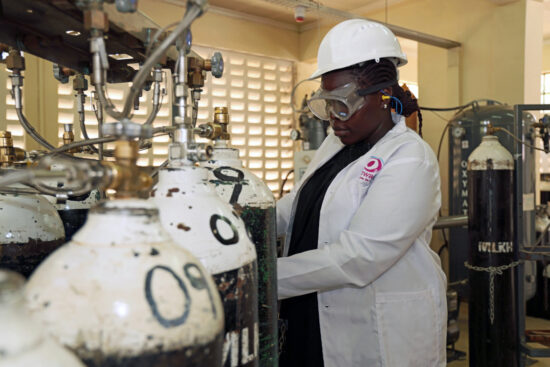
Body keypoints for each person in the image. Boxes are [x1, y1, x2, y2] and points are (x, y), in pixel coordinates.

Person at [277, 19, 447, 367]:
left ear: (384, 96)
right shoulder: (335, 144)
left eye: (344, 103)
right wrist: (240, 218)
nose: (334, 118)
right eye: (327, 104)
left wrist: (261, 279)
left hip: (376, 333)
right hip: (311, 316)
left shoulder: (411, 158)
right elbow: (295, 207)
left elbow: (359, 256)